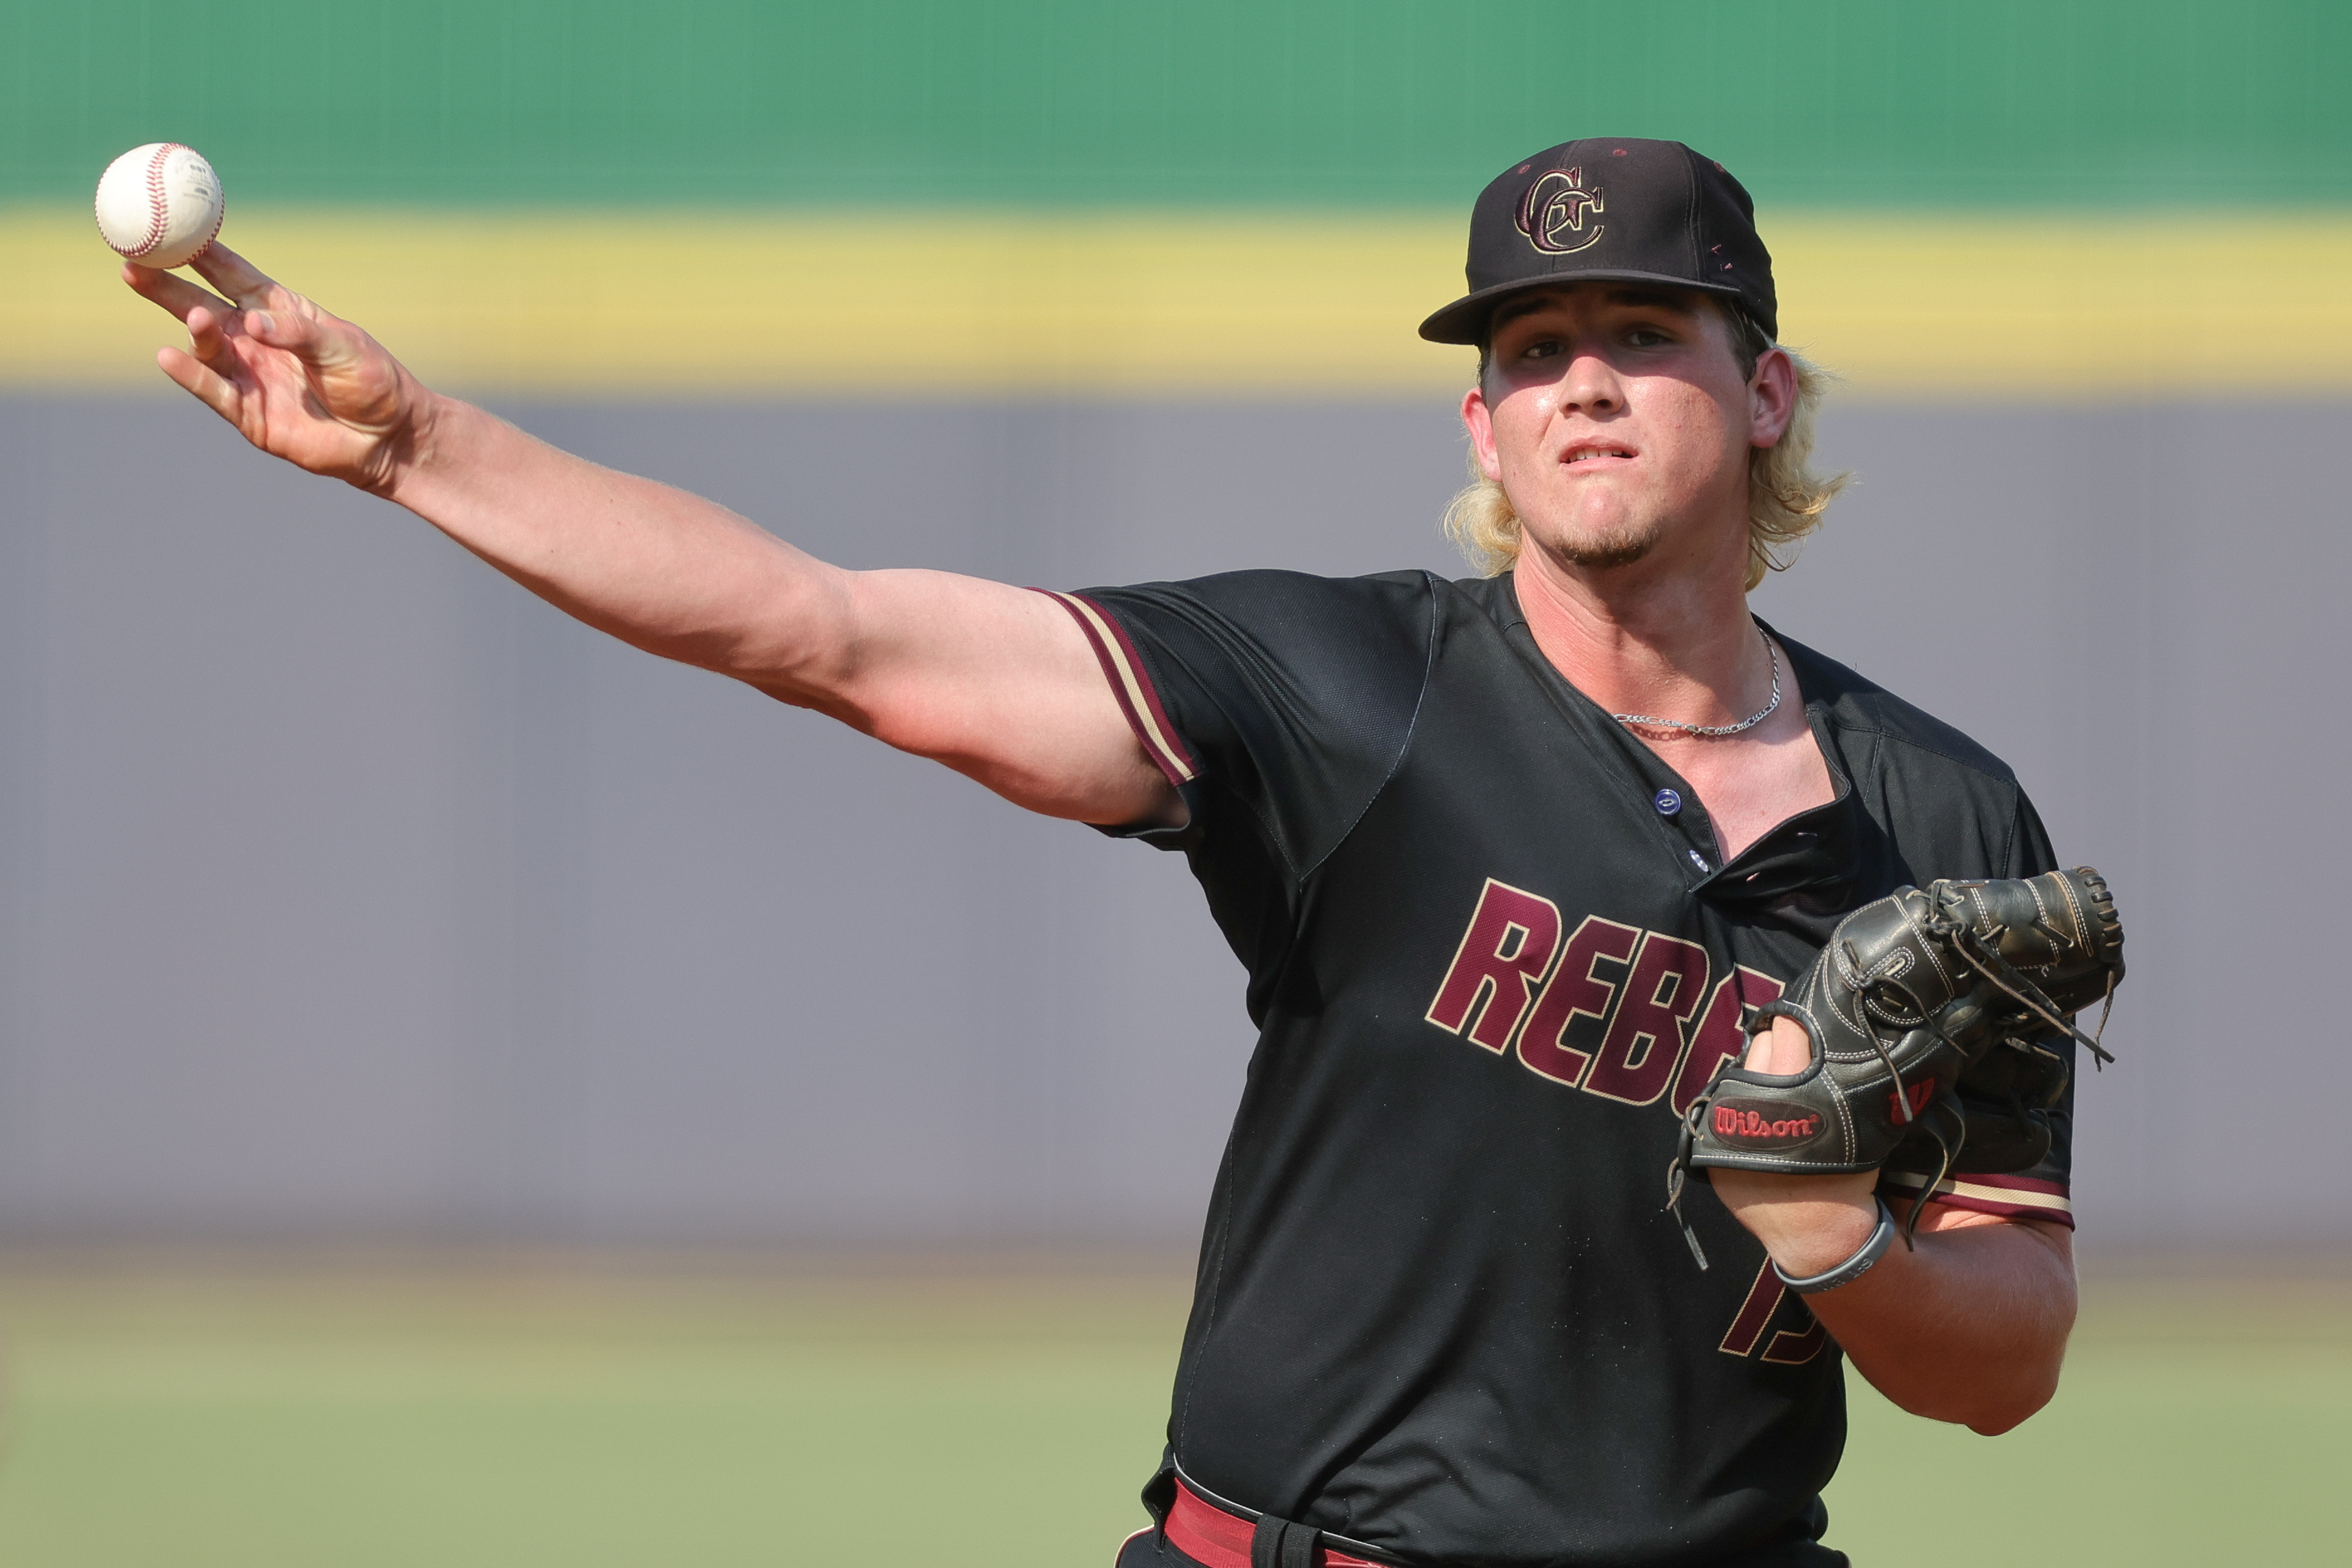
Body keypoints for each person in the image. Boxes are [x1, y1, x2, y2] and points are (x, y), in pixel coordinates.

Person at [122, 138, 2079, 1568]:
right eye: (1530, 344)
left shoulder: (1945, 824)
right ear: (1483, 428)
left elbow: (2003, 1367)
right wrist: (419, 445)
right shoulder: (1351, 693)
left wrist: (1835, 1232)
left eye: (1643, 331)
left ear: (1764, 393)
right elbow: (831, 631)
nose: (1580, 377)